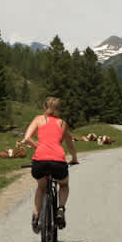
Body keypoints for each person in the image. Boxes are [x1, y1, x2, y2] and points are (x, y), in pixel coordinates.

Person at [21, 96, 78, 232]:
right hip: (58, 162)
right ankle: (60, 209)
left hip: (39, 162)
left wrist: (38, 148)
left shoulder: (38, 119)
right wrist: (74, 158)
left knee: (41, 188)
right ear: (58, 109)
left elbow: (27, 138)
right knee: (63, 185)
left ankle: (35, 216)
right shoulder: (63, 123)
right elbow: (70, 143)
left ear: (44, 107)